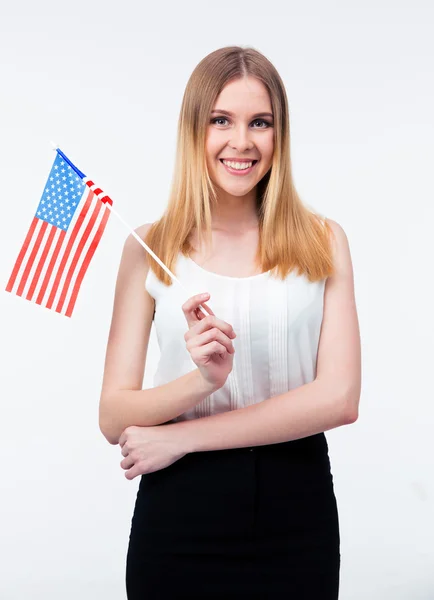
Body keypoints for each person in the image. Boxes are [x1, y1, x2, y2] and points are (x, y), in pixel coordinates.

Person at [99, 45, 361, 600]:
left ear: (279, 135)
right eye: (221, 120)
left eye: (259, 123)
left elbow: (339, 399)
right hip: (179, 514)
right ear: (195, 129)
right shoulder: (149, 248)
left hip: (296, 507)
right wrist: (202, 381)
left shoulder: (323, 241)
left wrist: (184, 438)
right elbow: (113, 415)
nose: (241, 142)